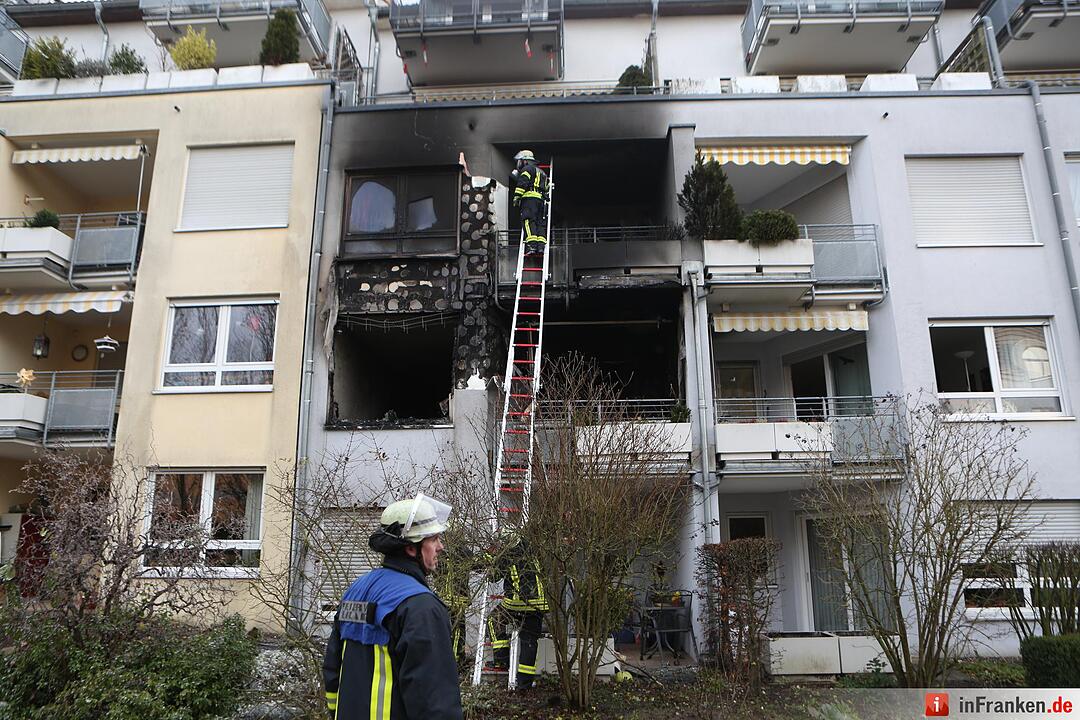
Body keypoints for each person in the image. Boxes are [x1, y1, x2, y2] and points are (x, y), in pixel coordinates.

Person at [322, 494, 463, 720]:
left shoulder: (355, 591)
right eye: (434, 539)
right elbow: (434, 701)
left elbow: (332, 672)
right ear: (411, 549)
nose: (441, 547)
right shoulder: (421, 606)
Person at [487, 532, 548, 688]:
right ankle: (524, 683)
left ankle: (501, 660)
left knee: (494, 618)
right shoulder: (533, 547)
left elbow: (493, 576)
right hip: (539, 603)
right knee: (529, 641)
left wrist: (490, 557)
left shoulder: (507, 554)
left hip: (516, 603)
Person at [511, 150, 549, 256]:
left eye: (520, 161)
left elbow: (522, 183)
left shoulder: (527, 169)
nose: (519, 163)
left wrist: (516, 198)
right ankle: (540, 247)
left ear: (525, 161)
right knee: (539, 223)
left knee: (528, 221)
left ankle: (532, 246)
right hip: (540, 200)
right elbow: (546, 188)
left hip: (529, 199)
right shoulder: (542, 173)